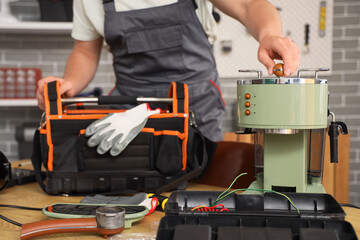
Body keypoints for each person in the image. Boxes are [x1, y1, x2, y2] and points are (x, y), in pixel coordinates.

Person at [36, 0, 300, 143]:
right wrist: (69, 83)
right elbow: (85, 51)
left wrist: (269, 35)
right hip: (130, 113)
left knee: (200, 192)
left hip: (196, 108)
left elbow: (249, 4)